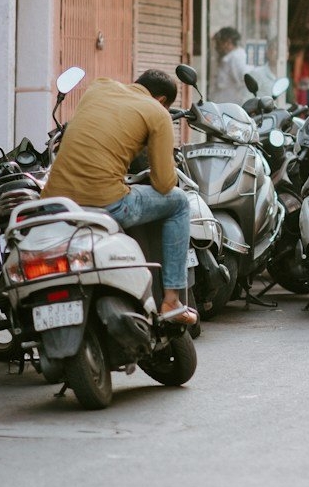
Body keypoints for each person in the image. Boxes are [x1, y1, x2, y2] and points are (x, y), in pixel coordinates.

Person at [42, 68, 198, 326]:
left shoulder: (98, 86)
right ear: (162, 101)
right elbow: (163, 183)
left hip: (55, 202)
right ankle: (172, 300)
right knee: (179, 202)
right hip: (107, 203)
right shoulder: (157, 112)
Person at [207, 26, 251, 105]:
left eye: (219, 42)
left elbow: (245, 82)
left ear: (228, 42)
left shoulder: (237, 58)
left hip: (231, 109)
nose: (217, 47)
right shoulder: (227, 59)